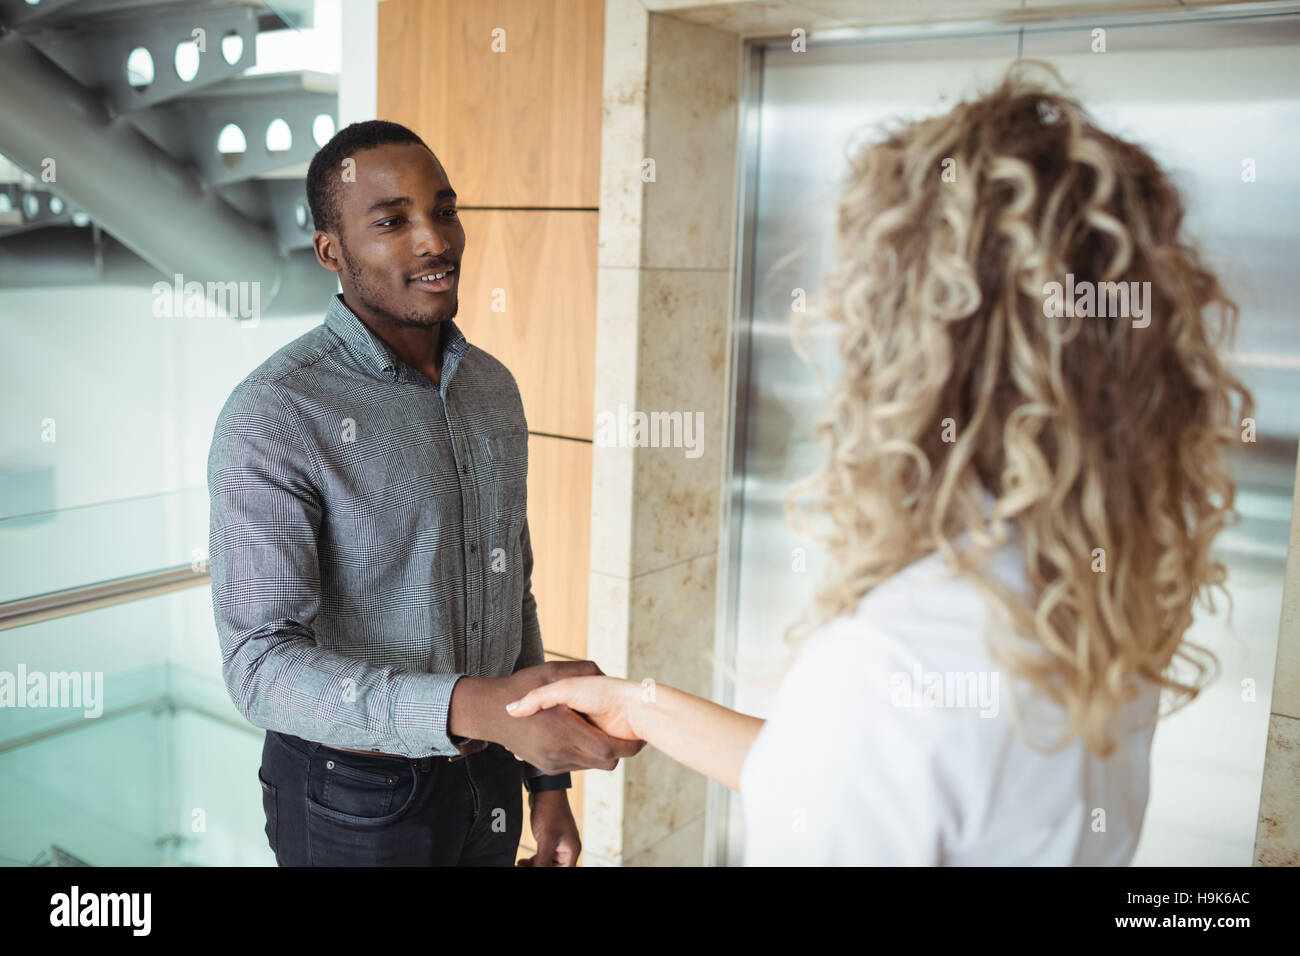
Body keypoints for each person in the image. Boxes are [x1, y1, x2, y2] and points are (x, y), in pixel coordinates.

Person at [502, 61, 1254, 865]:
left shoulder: (895, 661)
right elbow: (842, 779)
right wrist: (639, 705)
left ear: (912, 349)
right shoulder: (1086, 596)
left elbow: (864, 768)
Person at [207, 120, 641, 867]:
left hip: (492, 774)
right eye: (392, 221)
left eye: (443, 210)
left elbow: (515, 595)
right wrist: (487, 709)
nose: (434, 241)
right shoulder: (275, 412)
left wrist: (545, 782)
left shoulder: (491, 388)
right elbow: (260, 667)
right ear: (331, 252)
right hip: (353, 797)